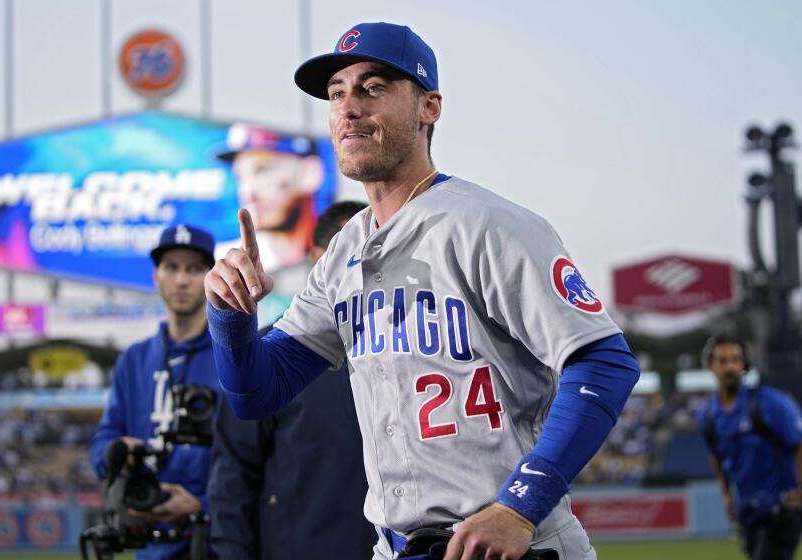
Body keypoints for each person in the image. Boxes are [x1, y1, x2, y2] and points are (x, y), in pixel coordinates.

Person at [204, 22, 640, 560]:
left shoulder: (487, 224)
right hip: (395, 547)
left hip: (512, 544)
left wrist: (522, 506)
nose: (349, 108)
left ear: (429, 106)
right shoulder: (341, 253)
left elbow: (604, 364)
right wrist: (230, 316)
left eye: (373, 87)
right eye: (337, 93)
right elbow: (257, 393)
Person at [208, 200, 376, 560]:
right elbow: (233, 477)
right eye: (348, 249)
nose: (363, 262)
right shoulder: (272, 353)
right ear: (319, 258)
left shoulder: (410, 348)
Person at [91, 224, 222, 560]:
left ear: (211, 276)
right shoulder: (133, 360)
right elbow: (103, 444)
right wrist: (117, 453)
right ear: (156, 276)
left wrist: (203, 504)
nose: (181, 280)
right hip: (148, 543)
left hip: (215, 540)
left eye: (194, 269)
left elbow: (254, 458)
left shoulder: (232, 356)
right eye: (171, 267)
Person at [699, 335, 802, 560]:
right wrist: (726, 495)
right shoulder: (707, 416)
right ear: (711, 367)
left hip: (781, 511)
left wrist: (799, 492)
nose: (729, 366)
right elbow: (716, 456)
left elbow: (799, 441)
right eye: (722, 360)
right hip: (749, 512)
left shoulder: (770, 403)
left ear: (744, 366)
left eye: (735, 360)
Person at [214, 123, 328, 277]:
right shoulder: (223, 265)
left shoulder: (343, 251)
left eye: (262, 169)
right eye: (240, 176)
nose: (248, 192)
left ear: (310, 173)